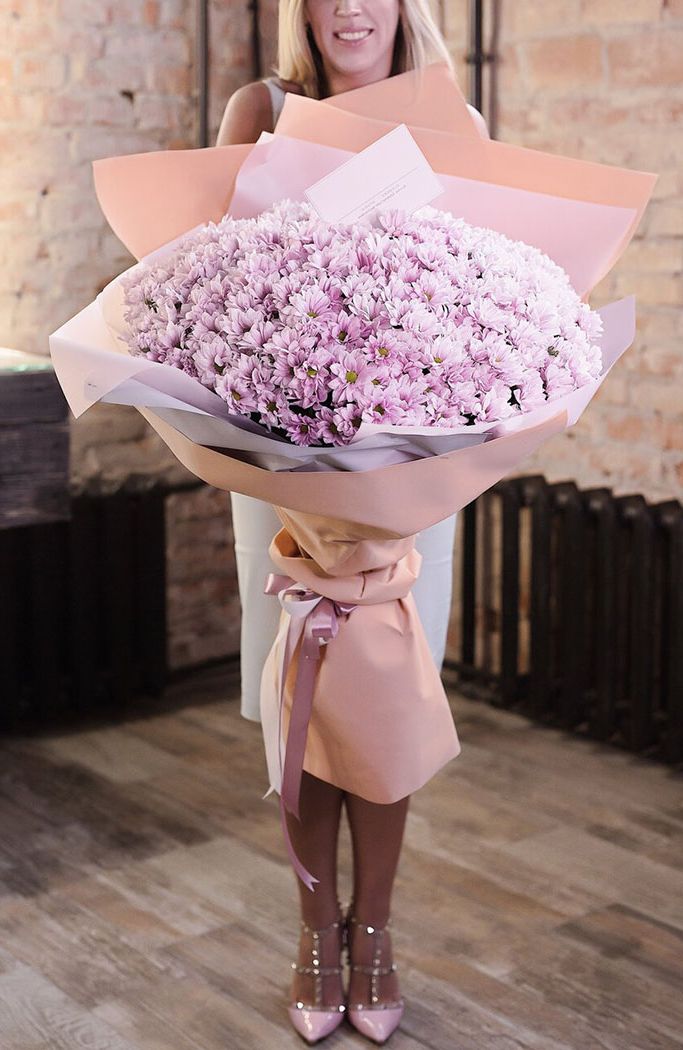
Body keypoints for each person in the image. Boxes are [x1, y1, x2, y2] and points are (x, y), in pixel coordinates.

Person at [216, 1, 489, 1042]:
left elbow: (482, 289)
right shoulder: (261, 108)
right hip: (281, 464)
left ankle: (371, 932)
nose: (349, 6)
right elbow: (206, 271)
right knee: (304, 702)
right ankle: (312, 936)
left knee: (383, 707)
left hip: (410, 471)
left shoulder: (451, 121)